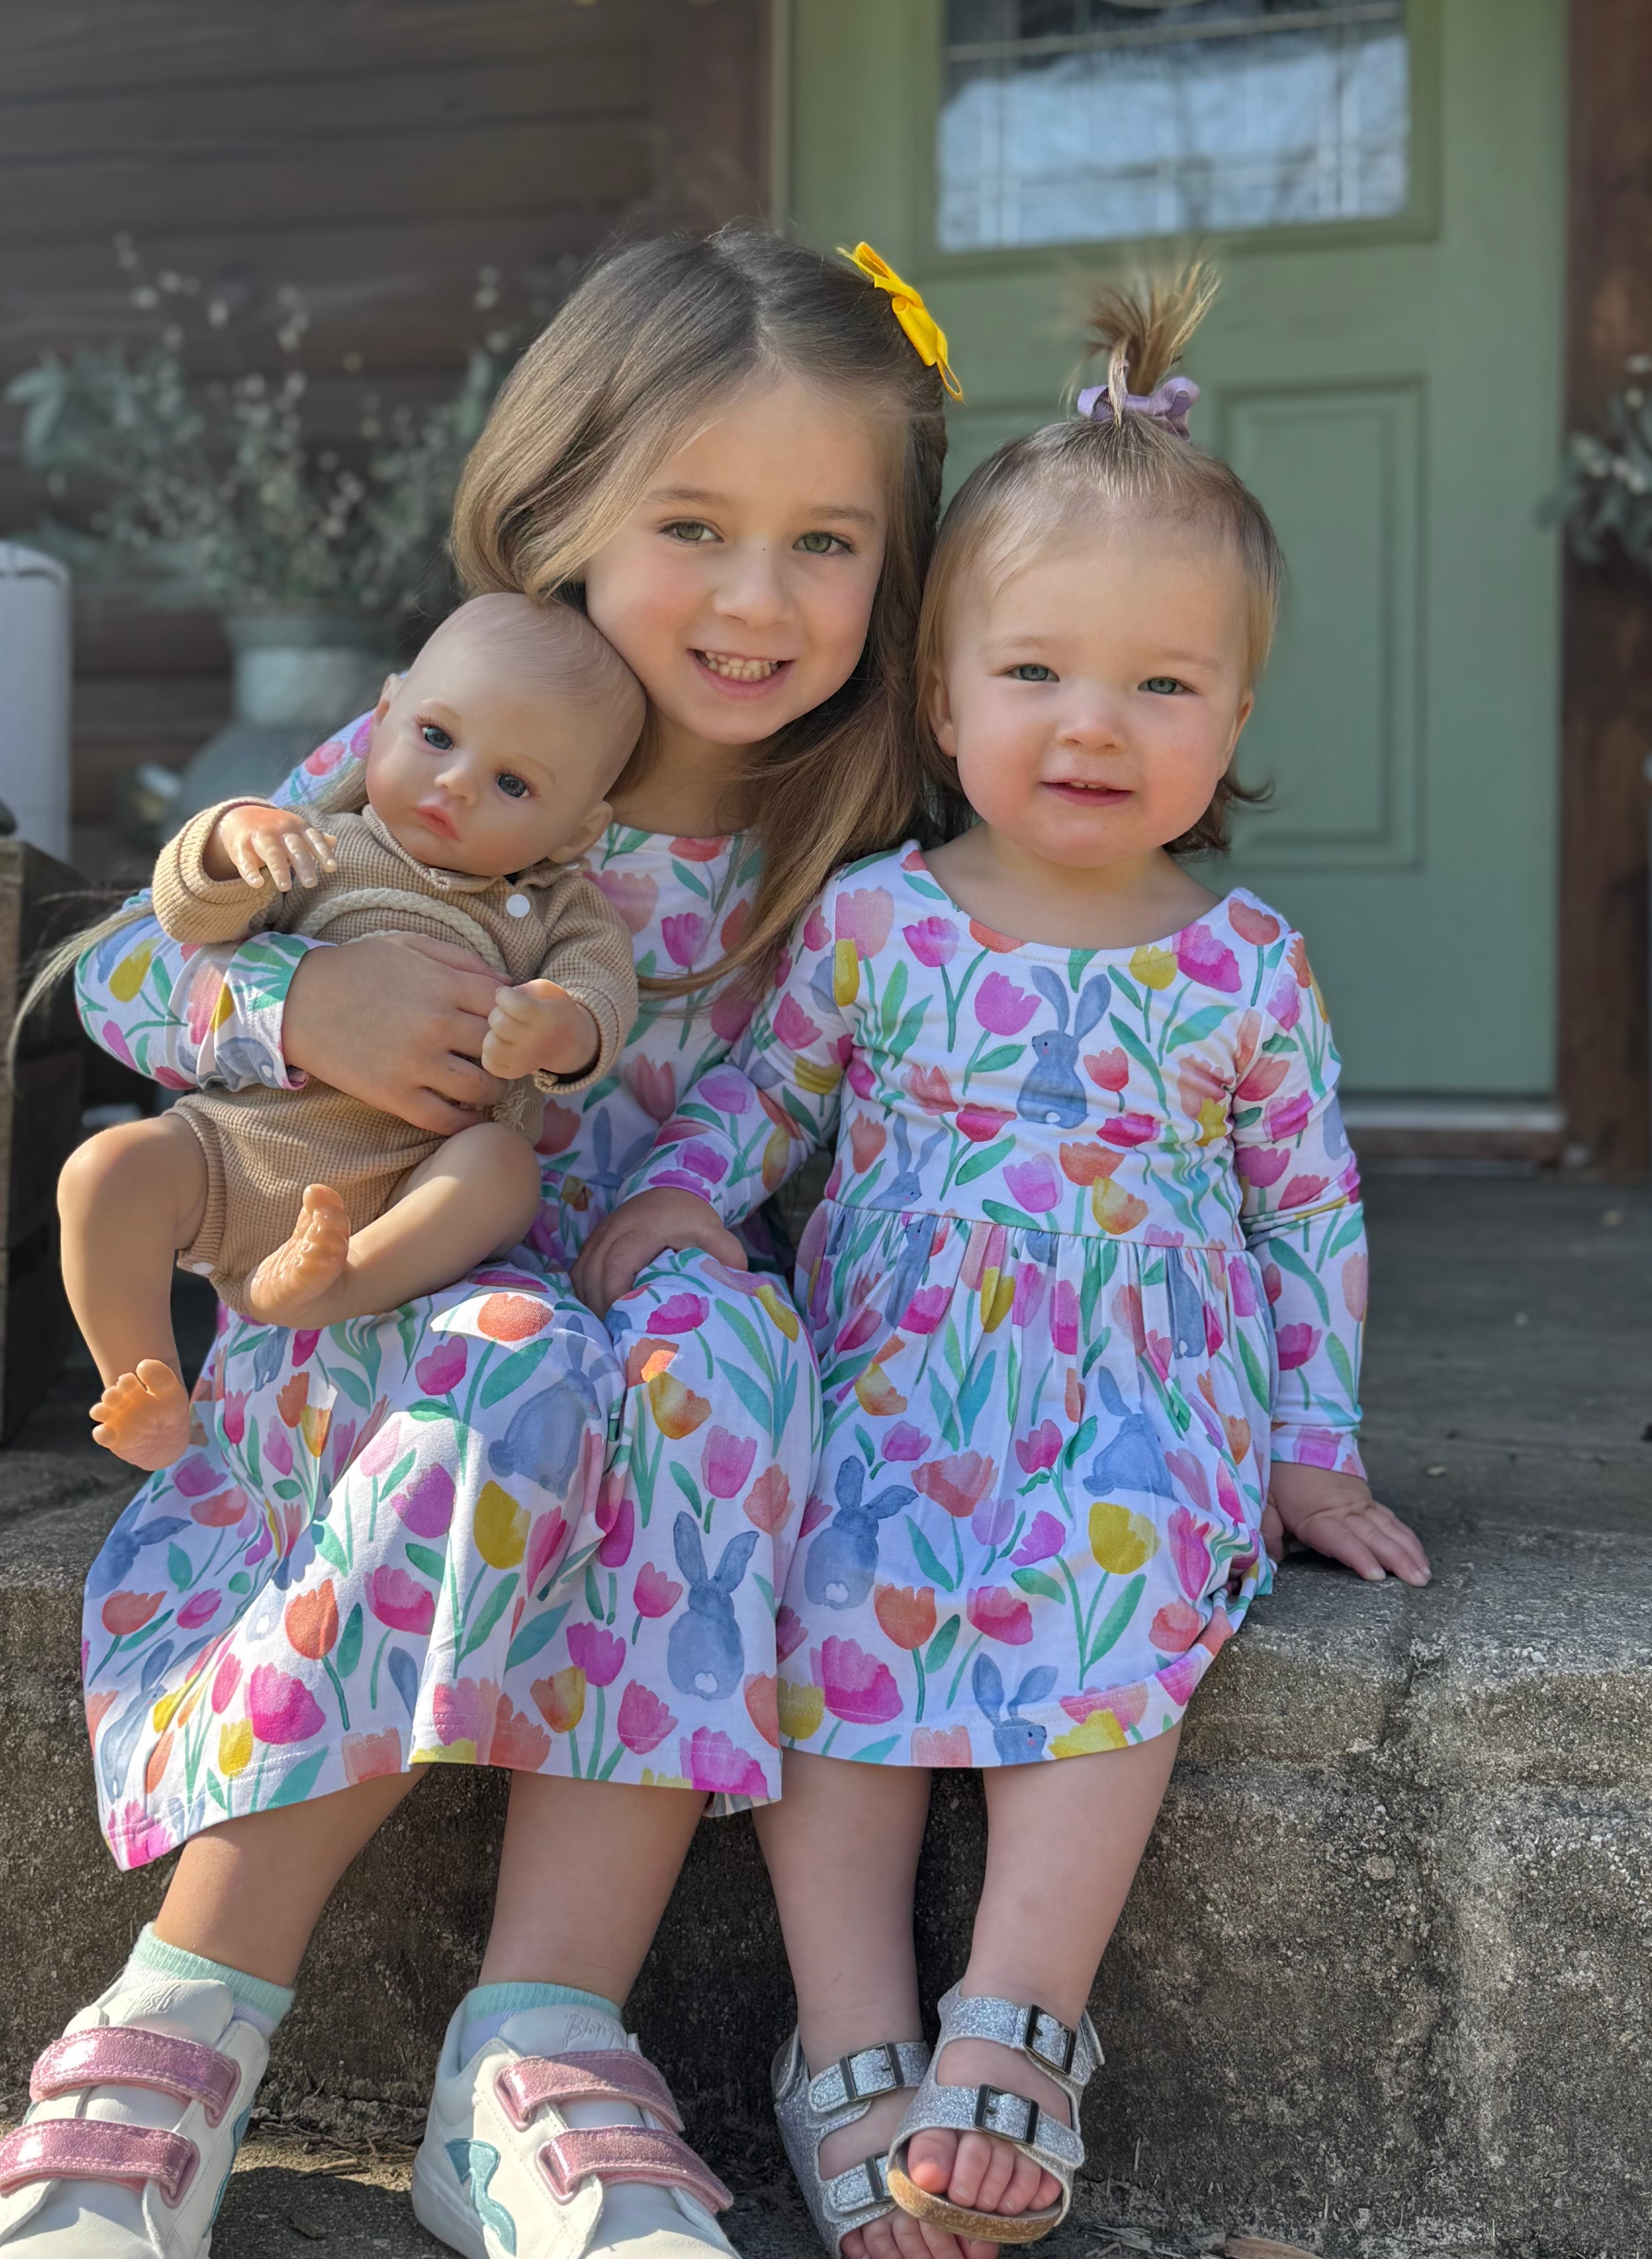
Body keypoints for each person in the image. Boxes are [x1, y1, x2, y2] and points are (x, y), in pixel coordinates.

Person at [0, 230, 948, 2259]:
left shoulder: (847, 853)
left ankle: (538, 2052)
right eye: (692, 524)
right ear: (555, 506)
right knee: (494, 1337)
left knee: (716, 1352)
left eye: (823, 541)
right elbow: (126, 980)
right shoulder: (428, 742)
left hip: (640, 1295)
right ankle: (192, 2000)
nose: (757, 598)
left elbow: (787, 1112)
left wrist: (694, 1219)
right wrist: (286, 1016)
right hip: (379, 1272)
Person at [573, 270, 1433, 2259]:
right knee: (818, 1608)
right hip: (894, 1393)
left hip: (1142, 1406)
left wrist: (1311, 1447)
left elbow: (1307, 1214)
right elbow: (766, 1104)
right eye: (1035, 673)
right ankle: (845, 2024)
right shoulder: (879, 923)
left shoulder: (1237, 966)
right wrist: (684, 1200)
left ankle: (1011, 2019)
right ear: (943, 703)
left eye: (1161, 685)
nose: (1091, 726)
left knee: (1116, 1611)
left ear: (1231, 720)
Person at [56, 595, 642, 1469]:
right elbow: (184, 918)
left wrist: (557, 1027)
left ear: (581, 830)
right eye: (437, 737)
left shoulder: (560, 907)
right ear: (383, 714)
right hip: (239, 1153)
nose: (455, 784)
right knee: (104, 1170)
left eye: (513, 784)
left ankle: (340, 1283)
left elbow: (604, 997)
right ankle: (141, 1376)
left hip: (408, 1190)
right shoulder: (321, 842)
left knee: (503, 1169)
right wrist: (227, 837)